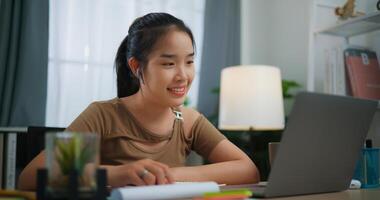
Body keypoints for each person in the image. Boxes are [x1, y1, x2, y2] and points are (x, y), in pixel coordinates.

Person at [18, 12, 260, 190]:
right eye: (168, 63)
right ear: (136, 67)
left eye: (189, 61)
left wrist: (168, 176)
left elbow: (247, 170)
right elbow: (28, 180)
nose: (183, 75)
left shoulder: (187, 121)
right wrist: (119, 174)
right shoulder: (103, 115)